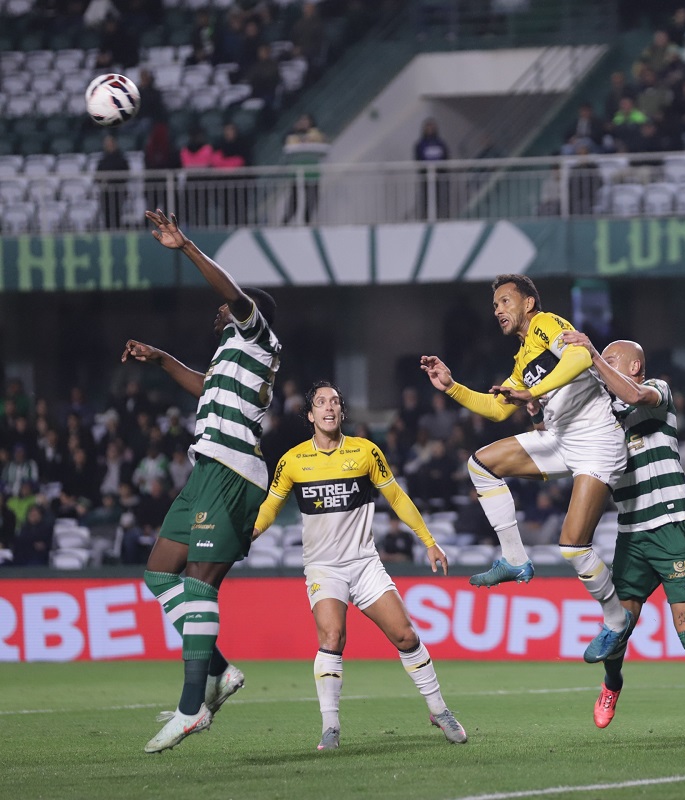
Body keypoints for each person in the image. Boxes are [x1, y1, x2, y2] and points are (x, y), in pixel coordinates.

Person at [122, 209, 282, 754]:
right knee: (158, 574)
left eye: (228, 307)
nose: (220, 311)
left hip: (234, 473)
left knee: (198, 586)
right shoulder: (229, 358)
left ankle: (192, 710)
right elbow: (202, 386)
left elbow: (233, 293)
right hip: (206, 470)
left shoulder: (259, 338)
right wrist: (161, 358)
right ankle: (220, 672)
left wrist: (185, 246)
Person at [419, 274, 630, 662]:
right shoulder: (522, 358)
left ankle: (616, 620)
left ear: (528, 303)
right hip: (561, 439)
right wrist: (451, 386)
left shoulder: (548, 323)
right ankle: (515, 558)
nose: (498, 309)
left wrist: (531, 393)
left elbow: (581, 356)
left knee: (573, 547)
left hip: (598, 440)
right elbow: (499, 408)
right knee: (481, 463)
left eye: (504, 301)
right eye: (495, 304)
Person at [251, 382, 465, 751]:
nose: (329, 407)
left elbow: (396, 496)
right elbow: (270, 507)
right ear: (311, 415)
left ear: (342, 412)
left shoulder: (366, 452)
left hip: (365, 564)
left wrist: (429, 541)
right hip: (323, 567)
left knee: (406, 636)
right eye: (321, 402)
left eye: (335, 401)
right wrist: (249, 533)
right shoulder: (293, 460)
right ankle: (331, 727)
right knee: (332, 638)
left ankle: (439, 710)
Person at [560, 331, 685, 754]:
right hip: (631, 535)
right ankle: (612, 683)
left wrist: (590, 356)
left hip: (674, 530)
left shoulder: (656, 391)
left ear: (633, 365)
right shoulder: (599, 414)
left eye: (608, 358)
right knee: (616, 627)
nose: (599, 362)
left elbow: (636, 397)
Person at [95, 134, 129, 229]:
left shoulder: (121, 159)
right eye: (107, 144)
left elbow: (125, 174)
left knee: (117, 214)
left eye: (110, 143)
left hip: (118, 192)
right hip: (106, 192)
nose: (109, 146)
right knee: (106, 214)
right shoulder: (103, 160)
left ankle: (117, 232)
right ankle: (108, 232)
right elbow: (97, 175)